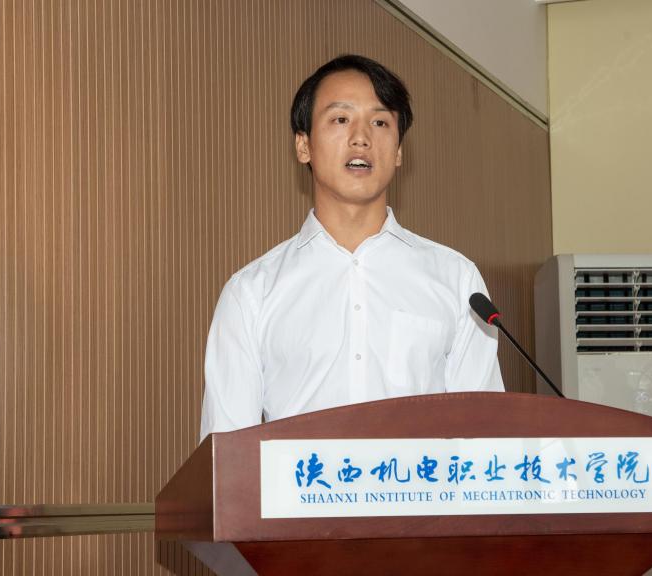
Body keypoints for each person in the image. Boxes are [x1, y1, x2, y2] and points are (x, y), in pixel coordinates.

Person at [199, 54, 503, 442]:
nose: (361, 138)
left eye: (380, 122)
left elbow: (484, 435)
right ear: (303, 146)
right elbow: (225, 452)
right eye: (341, 119)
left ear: (398, 151)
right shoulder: (251, 293)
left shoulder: (457, 280)